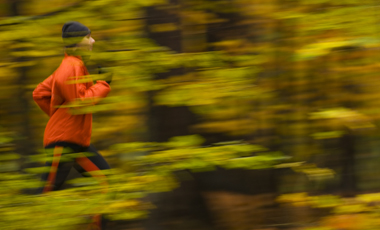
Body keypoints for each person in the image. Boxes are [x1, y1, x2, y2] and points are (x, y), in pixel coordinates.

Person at [33, 21, 112, 229]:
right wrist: (103, 84)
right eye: (88, 37)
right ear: (77, 43)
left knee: (109, 183)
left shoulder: (71, 65)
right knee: (47, 194)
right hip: (64, 142)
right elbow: (80, 102)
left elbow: (39, 93)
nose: (93, 40)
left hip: (76, 141)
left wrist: (61, 117)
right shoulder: (71, 67)